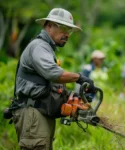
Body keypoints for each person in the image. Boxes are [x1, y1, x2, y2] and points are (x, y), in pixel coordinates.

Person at [11, 8, 95, 150]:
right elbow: (53, 73)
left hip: (40, 113)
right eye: (63, 29)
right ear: (49, 25)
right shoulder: (40, 47)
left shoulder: (46, 49)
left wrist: (72, 97)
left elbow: (50, 84)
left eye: (69, 31)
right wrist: (80, 78)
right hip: (33, 114)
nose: (67, 35)